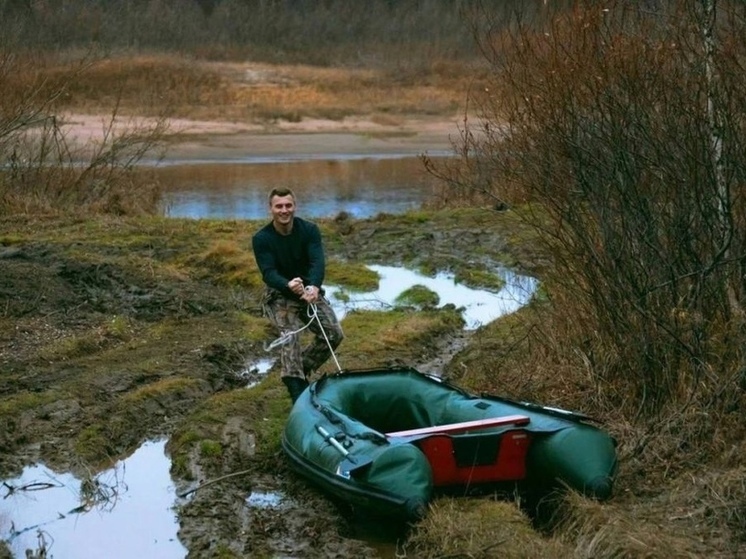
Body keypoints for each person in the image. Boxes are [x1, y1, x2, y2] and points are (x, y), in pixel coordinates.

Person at [252, 187, 344, 403]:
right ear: (271, 209)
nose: (284, 210)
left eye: (288, 205)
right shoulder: (261, 238)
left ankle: (299, 370)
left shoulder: (310, 230)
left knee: (334, 334)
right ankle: (296, 390)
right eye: (279, 206)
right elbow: (268, 273)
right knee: (290, 336)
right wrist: (287, 284)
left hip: (309, 292)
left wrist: (314, 287)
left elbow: (317, 262)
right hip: (280, 294)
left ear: (295, 206)